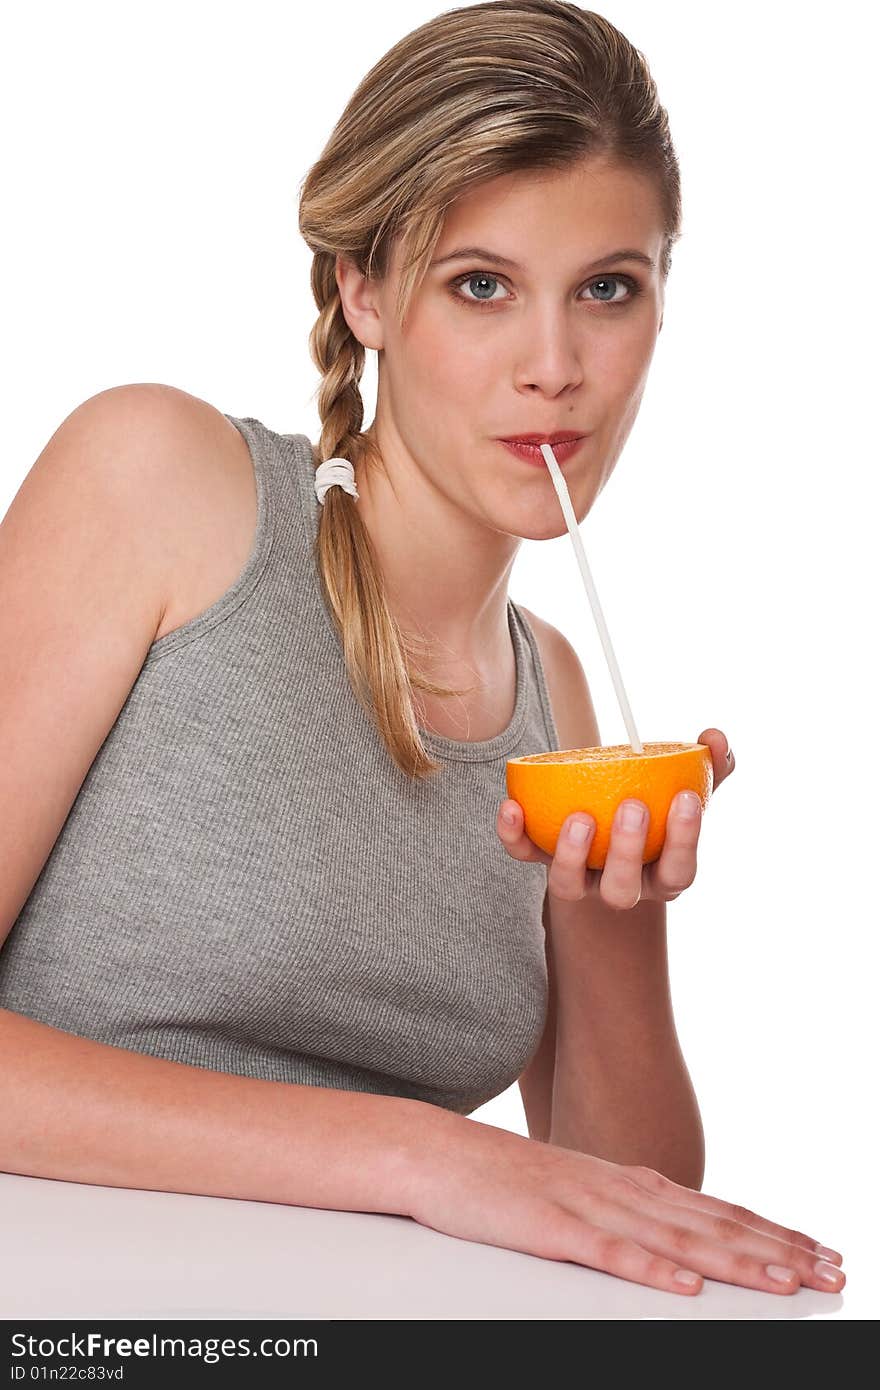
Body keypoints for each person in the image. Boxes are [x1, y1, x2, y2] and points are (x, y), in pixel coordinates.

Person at [0, 0, 844, 1300]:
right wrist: (422, 1152)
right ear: (366, 287)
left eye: (607, 289)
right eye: (482, 285)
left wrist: (606, 908)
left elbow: (627, 1208)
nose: (554, 367)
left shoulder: (556, 691)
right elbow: (460, 1172)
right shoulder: (161, 485)